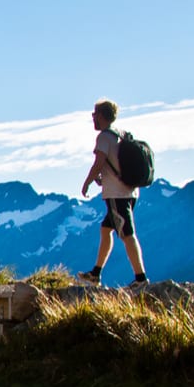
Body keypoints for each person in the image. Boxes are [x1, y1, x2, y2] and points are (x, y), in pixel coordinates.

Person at [78, 99, 148, 287]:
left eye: (94, 114)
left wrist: (87, 182)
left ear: (101, 115)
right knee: (106, 229)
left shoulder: (104, 138)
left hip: (117, 195)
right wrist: (103, 178)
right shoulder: (121, 134)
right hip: (130, 191)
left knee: (127, 234)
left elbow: (99, 162)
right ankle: (96, 273)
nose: (93, 117)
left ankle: (141, 278)